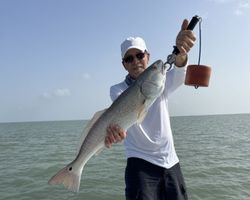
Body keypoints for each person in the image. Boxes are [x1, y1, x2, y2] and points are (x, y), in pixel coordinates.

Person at [105, 19, 196, 200]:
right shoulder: (117, 90)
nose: (135, 61)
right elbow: (121, 118)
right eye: (129, 59)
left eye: (139, 55)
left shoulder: (161, 80)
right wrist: (114, 133)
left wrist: (181, 52)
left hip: (171, 162)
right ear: (124, 64)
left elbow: (179, 71)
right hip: (140, 163)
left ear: (147, 56)